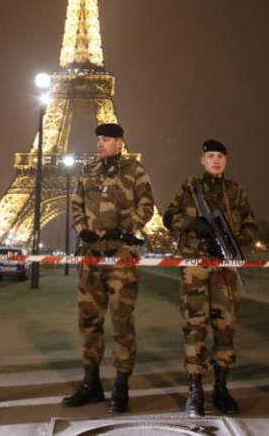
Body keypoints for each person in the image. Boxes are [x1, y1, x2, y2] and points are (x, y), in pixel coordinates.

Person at [61, 122, 155, 414]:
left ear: (120, 142)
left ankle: (121, 385)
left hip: (121, 258)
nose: (100, 143)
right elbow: (76, 204)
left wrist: (125, 230)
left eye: (107, 139)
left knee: (122, 322)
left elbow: (148, 205)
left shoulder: (135, 171)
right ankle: (91, 383)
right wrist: (82, 230)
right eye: (99, 139)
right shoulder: (87, 171)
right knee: (88, 321)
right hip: (91, 257)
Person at [163, 139, 258, 417]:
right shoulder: (190, 188)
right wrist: (194, 224)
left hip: (225, 267)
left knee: (225, 327)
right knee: (195, 326)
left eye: (220, 156)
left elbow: (251, 224)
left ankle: (221, 388)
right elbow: (169, 216)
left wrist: (235, 241)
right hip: (195, 265)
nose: (216, 160)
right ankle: (196, 391)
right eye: (211, 156)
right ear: (202, 160)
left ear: (225, 161)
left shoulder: (235, 191)